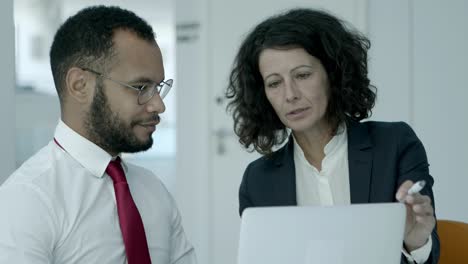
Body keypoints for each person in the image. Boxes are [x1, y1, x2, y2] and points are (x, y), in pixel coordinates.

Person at [226, 8, 439, 264]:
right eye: (274, 83)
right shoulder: (258, 180)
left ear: (333, 74)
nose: (290, 94)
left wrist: (416, 242)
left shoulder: (394, 144)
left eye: (303, 75)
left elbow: (428, 258)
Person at [0, 5, 196, 264]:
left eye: (157, 87)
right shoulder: (28, 199)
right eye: (140, 87)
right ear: (80, 85)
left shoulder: (154, 192)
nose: (158, 105)